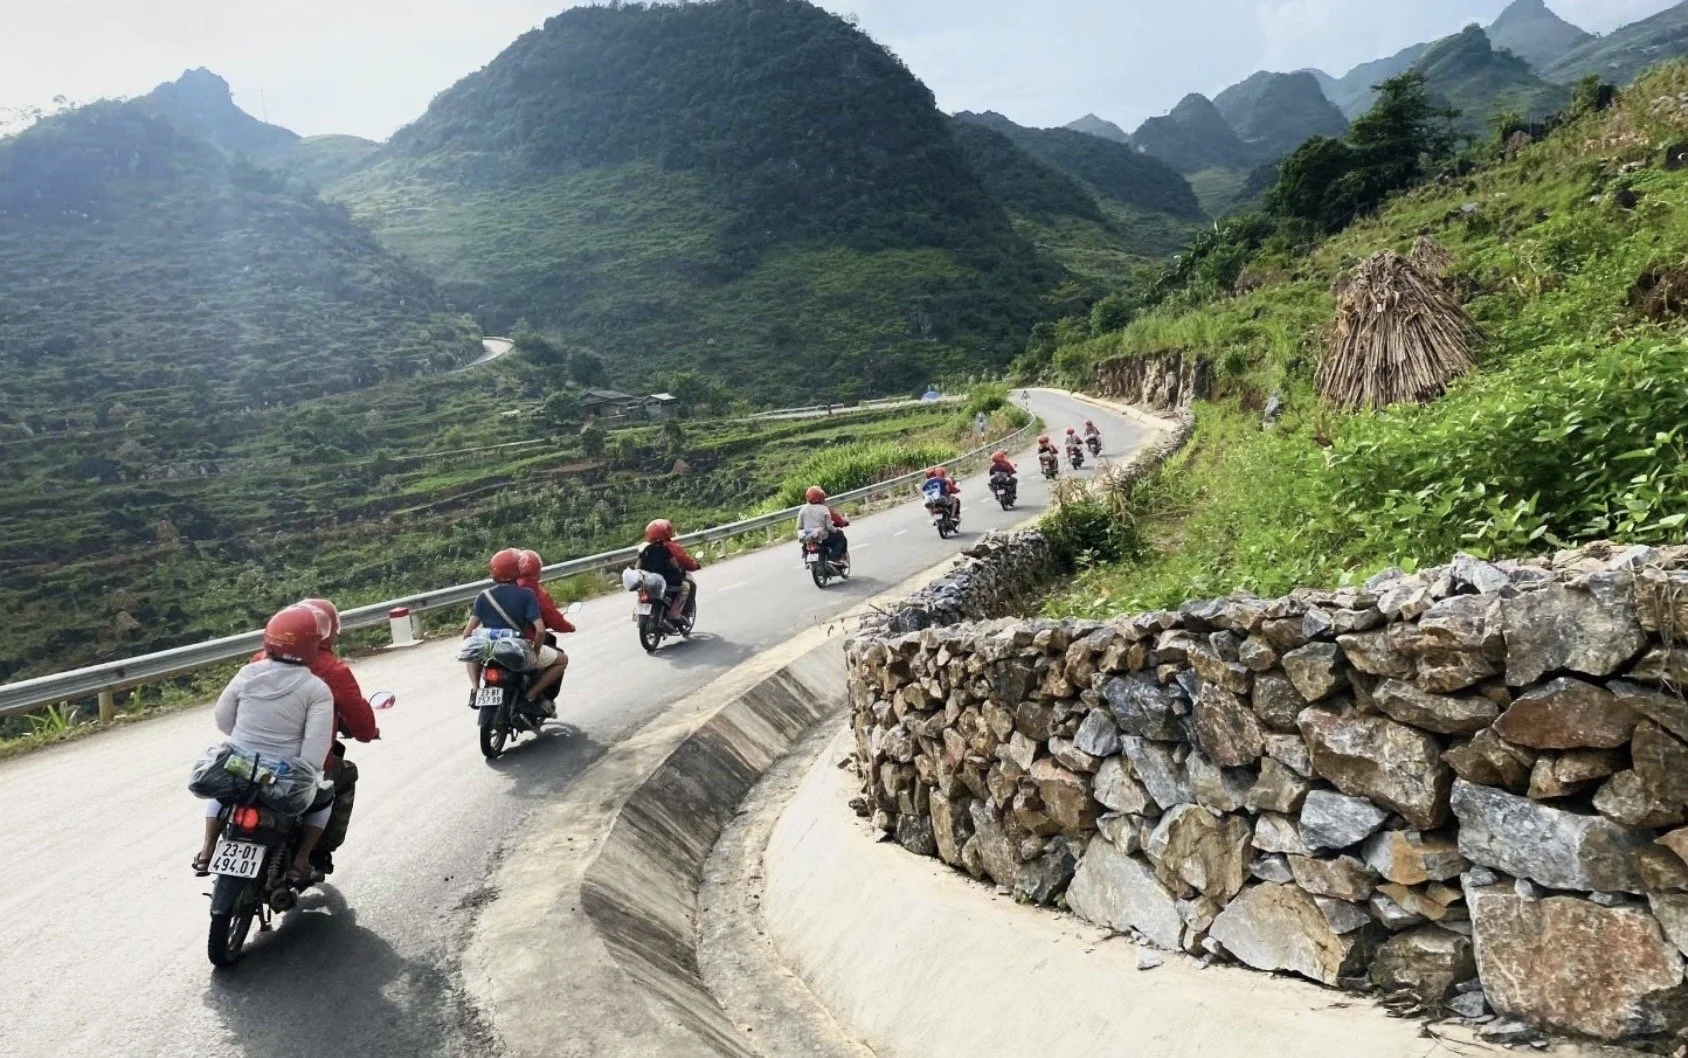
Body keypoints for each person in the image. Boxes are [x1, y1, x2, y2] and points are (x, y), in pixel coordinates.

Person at [194, 605, 335, 887]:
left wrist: (247, 744)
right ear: (312, 644)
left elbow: (223, 720)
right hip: (281, 777)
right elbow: (313, 755)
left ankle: (207, 850)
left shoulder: (248, 673)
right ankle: (300, 862)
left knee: (223, 792)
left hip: (239, 765)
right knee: (325, 798)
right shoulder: (317, 690)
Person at [296, 598, 378, 875]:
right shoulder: (332, 670)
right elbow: (359, 718)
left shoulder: (260, 662)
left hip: (254, 756)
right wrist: (367, 733)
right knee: (345, 776)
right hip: (311, 763)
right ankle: (320, 850)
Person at [463, 548, 568, 714]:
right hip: (517, 649)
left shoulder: (483, 596)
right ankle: (530, 697)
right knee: (562, 660)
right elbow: (540, 631)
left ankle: (475, 690)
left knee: (473, 648)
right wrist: (535, 653)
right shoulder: (526, 595)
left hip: (490, 649)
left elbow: (467, 634)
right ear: (518, 570)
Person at [633, 519, 700, 620]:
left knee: (642, 590)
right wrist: (693, 566)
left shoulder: (644, 548)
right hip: (668, 581)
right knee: (686, 586)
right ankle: (675, 614)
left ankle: (636, 614)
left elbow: (638, 566)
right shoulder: (670, 547)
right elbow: (679, 563)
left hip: (648, 580)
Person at [796, 486, 850, 569]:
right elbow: (829, 527)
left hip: (808, 538)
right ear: (820, 498)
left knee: (805, 543)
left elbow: (799, 526)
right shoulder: (824, 509)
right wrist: (836, 530)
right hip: (823, 538)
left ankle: (806, 558)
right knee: (841, 537)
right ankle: (834, 559)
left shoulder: (802, 510)